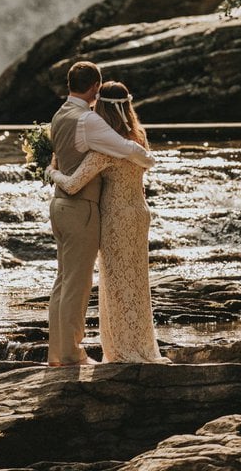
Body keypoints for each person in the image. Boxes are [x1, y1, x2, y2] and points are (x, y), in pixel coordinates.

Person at [48, 79, 169, 364]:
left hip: (115, 217)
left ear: (101, 107)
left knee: (116, 284)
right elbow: (143, 168)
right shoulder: (138, 137)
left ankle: (120, 350)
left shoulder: (104, 148)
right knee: (137, 283)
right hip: (139, 212)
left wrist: (51, 172)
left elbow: (75, 183)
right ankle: (143, 347)